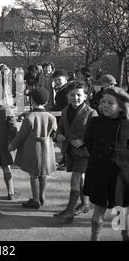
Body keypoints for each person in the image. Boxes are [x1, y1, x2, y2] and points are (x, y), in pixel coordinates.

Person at [83, 87, 129, 241]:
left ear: (121, 106)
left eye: (111, 103)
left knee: (119, 209)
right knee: (99, 208)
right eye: (103, 102)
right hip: (99, 170)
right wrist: (100, 158)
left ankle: (124, 234)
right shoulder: (95, 121)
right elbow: (88, 142)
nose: (105, 105)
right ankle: (94, 238)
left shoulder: (127, 124)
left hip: (120, 173)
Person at [53, 81, 98, 222]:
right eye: (72, 95)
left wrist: (84, 140)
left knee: (75, 178)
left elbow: (96, 134)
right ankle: (85, 204)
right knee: (81, 178)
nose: (75, 98)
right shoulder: (66, 110)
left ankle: (69, 211)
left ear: (85, 96)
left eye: (79, 95)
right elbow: (60, 126)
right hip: (71, 152)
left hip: (85, 153)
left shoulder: (92, 113)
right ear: (67, 96)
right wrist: (58, 134)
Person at [9, 87, 57, 209]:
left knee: (33, 175)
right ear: (46, 102)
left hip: (33, 148)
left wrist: (12, 146)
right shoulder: (51, 117)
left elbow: (21, 135)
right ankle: (42, 196)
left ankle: (35, 200)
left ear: (32, 101)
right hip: (47, 148)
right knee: (43, 174)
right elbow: (54, 133)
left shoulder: (30, 117)